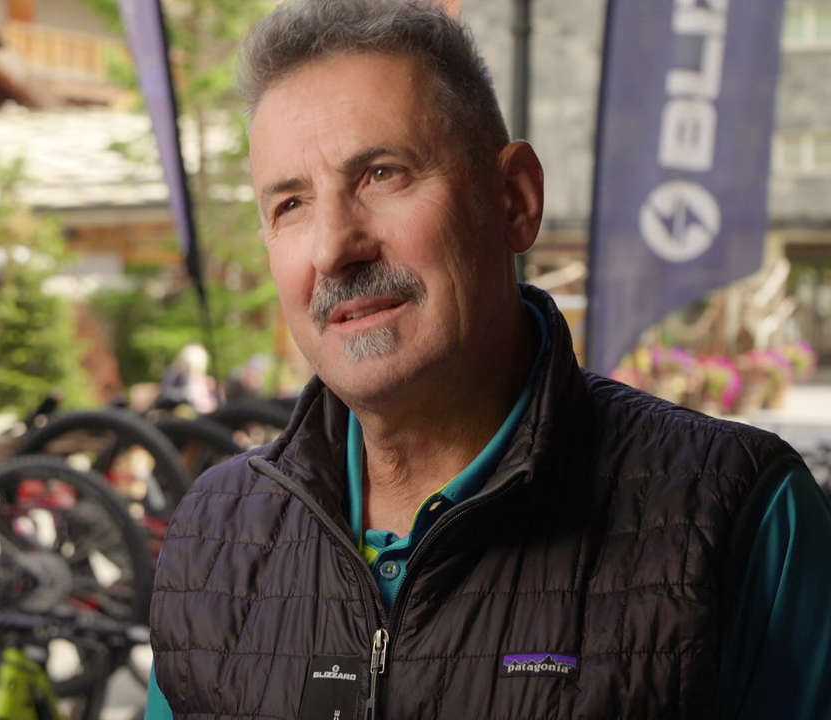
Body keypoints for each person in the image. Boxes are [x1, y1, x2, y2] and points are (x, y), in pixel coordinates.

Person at [145, 1, 831, 718]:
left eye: (381, 174)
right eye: (291, 205)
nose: (332, 248)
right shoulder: (214, 537)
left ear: (514, 199)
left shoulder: (742, 518)